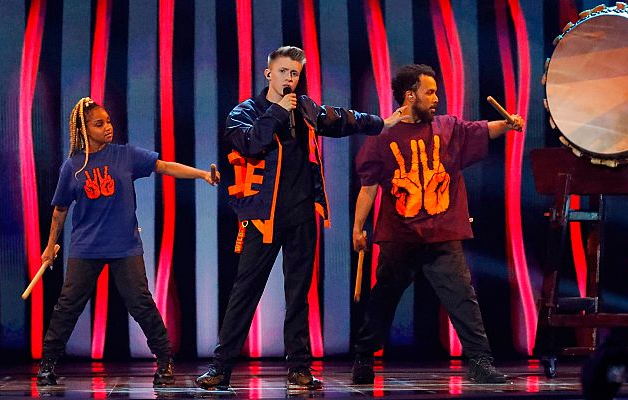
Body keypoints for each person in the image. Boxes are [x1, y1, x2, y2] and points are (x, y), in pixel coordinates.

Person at [195, 46, 408, 391]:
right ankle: (221, 367)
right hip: (263, 218)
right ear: (269, 74)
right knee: (245, 292)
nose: (290, 79)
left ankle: (299, 368)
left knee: (298, 295)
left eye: (294, 73)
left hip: (302, 216)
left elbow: (341, 119)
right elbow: (251, 143)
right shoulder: (245, 112)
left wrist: (382, 123)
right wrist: (278, 111)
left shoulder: (305, 108)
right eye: (283, 72)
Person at [351, 64, 524, 384]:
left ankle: (481, 361)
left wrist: (507, 124)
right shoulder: (383, 136)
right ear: (410, 95)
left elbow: (480, 130)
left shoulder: (447, 127)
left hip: (442, 233)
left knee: (462, 298)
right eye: (429, 92)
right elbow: (369, 186)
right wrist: (358, 227)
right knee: (384, 297)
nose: (436, 98)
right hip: (400, 235)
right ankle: (364, 356)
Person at [36, 97, 219, 387]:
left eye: (108, 121)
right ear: (84, 130)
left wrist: (202, 175)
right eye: (99, 124)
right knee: (67, 306)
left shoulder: (125, 155)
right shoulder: (72, 166)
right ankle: (47, 364)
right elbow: (60, 210)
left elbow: (165, 166)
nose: (108, 127)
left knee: (141, 303)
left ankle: (165, 360)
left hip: (124, 245)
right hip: (86, 247)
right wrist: (49, 247)